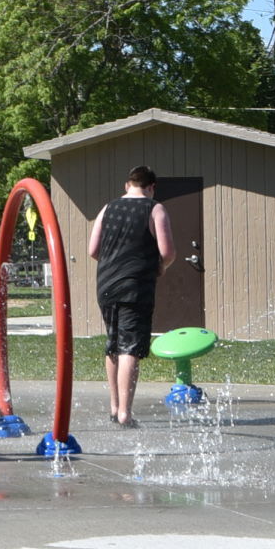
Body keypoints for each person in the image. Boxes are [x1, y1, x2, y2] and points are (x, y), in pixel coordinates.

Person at [88, 166, 175, 428]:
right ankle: (125, 413)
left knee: (113, 341)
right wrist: (160, 267)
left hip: (106, 284)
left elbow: (93, 250)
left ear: (128, 185)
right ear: (151, 187)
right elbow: (168, 252)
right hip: (135, 285)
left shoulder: (107, 208)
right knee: (130, 347)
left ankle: (114, 407)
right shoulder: (154, 208)